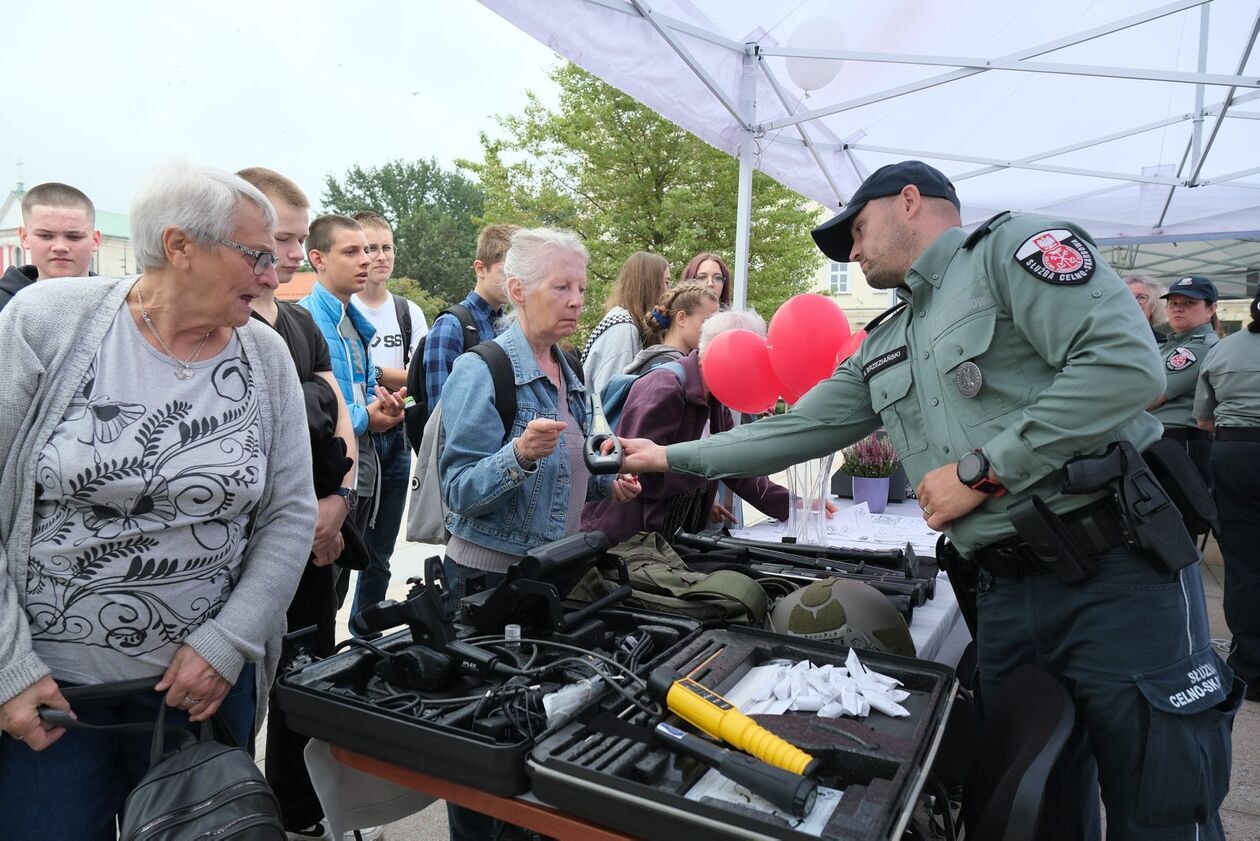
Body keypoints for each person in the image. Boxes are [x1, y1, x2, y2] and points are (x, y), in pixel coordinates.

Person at [619, 161, 1234, 840]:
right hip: (1005, 595)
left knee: (1163, 803)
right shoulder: (889, 338)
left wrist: (982, 471)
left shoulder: (1012, 252)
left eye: (856, 229)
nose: (851, 252)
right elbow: (796, 429)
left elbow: (1124, 366)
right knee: (1035, 807)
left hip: (1117, 574)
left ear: (910, 201)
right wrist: (667, 456)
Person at [0, 162, 317, 840]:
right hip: (54, 701)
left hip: (199, 697)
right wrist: (8, 666)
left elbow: (291, 512)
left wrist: (227, 643)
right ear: (181, 247)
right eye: (257, 255)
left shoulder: (264, 357)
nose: (274, 274)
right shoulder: (46, 322)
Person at [438, 227, 641, 841]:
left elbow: (569, 474)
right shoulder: (485, 369)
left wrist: (610, 482)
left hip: (544, 580)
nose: (578, 299)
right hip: (485, 584)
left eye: (581, 285)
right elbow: (458, 492)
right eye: (562, 286)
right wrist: (518, 456)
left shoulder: (569, 366)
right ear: (519, 289)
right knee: (480, 746)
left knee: (532, 731)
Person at [236, 168, 368, 841]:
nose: (291, 252)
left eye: (295, 236)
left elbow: (337, 408)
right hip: (247, 548)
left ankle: (297, 808)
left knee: (306, 673)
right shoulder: (224, 328)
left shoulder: (295, 321)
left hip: (321, 536)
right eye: (281, 238)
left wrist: (339, 502)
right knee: (235, 693)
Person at [582, 308, 790, 544]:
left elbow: (735, 466)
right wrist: (707, 467)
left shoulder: (716, 395)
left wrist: (791, 504)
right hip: (629, 543)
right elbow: (637, 475)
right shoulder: (665, 388)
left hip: (668, 539)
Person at [299, 215, 406, 606]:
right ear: (318, 259)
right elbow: (325, 411)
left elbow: (353, 395)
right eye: (351, 251)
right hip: (334, 475)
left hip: (362, 464)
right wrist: (367, 417)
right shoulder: (309, 319)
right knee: (323, 589)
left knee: (344, 582)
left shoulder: (348, 322)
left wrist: (381, 407)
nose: (366, 259)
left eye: (368, 249)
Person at [349, 211, 427, 622]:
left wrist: (376, 373)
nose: (379, 256)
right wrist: (385, 373)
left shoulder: (407, 312)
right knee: (346, 548)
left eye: (386, 247)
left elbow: (422, 376)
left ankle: (367, 634)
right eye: (370, 248)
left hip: (396, 436)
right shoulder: (345, 308)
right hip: (357, 438)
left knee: (380, 552)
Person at [1195, 290, 1260, 704]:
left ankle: (1250, 670)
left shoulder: (1225, 348)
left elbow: (1203, 419)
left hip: (1235, 455)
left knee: (1245, 564)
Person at [422, 223, 517, 412]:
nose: (513, 282)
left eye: (518, 274)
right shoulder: (451, 325)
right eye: (505, 273)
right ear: (480, 268)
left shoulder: (512, 325)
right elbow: (440, 414)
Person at [1149, 276, 1220, 487]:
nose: (1178, 309)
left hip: (1180, 442)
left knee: (1183, 513)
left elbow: (1150, 396)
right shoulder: (1171, 344)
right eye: (1173, 303)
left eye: (1189, 303)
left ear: (1211, 309)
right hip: (1167, 441)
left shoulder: (1199, 347)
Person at [0, 181, 101, 311]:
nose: (60, 247)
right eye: (45, 236)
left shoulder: (123, 309)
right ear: (24, 237)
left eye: (74, 237)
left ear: (95, 240)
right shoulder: (4, 306)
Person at [582, 250, 670, 395]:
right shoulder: (623, 329)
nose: (669, 290)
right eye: (666, 282)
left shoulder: (628, 323)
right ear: (650, 286)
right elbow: (610, 399)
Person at [622, 281, 720, 375]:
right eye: (706, 321)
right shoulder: (666, 370)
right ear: (681, 318)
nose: (712, 330)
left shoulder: (662, 363)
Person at [1126, 275, 1168, 344]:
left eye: (1141, 297)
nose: (1134, 302)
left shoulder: (1164, 343)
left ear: (1154, 305)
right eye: (1128, 296)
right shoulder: (1107, 339)